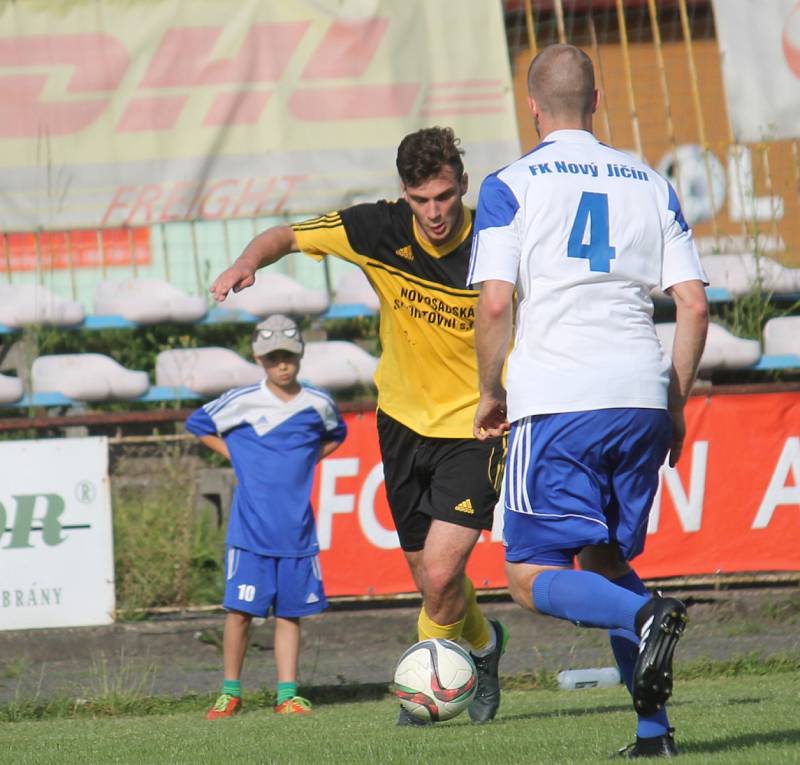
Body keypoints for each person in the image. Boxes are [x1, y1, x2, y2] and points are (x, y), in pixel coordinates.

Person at [209, 127, 508, 725]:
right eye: (421, 200)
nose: (434, 213)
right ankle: (483, 648)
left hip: (477, 425)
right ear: (404, 194)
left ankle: (421, 689)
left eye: (445, 197)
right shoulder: (377, 228)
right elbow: (287, 235)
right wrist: (247, 261)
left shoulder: (499, 245)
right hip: (400, 421)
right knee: (432, 583)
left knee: (446, 573)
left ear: (463, 187)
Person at [469, 44, 709, 758]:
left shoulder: (511, 184)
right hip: (638, 393)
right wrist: (672, 403)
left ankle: (647, 613)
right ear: (597, 101)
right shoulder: (649, 181)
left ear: (532, 108)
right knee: (603, 560)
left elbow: (492, 304)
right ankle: (653, 732)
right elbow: (693, 306)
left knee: (526, 573)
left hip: (560, 397)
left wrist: (489, 391)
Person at [186, 314, 347, 719]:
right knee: (239, 613)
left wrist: (307, 459)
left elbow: (336, 434)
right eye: (273, 356)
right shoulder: (241, 401)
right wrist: (235, 456)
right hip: (250, 532)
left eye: (288, 355)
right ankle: (230, 692)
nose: (282, 363)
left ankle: (287, 694)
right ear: (259, 358)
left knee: (290, 615)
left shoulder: (318, 404)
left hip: (296, 532)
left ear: (300, 356)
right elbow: (198, 423)